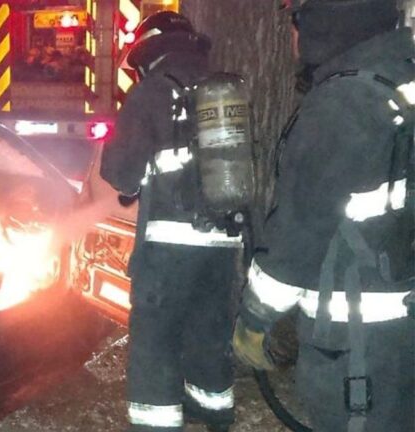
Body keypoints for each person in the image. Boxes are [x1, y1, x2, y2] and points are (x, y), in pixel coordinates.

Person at [233, 1, 415, 431]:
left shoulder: (340, 104)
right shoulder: (401, 79)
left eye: (299, 20)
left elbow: (300, 234)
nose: (294, 36)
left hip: (355, 340)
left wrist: (255, 317)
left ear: (327, 22)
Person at [100, 11, 244, 432]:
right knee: (209, 328)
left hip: (168, 246)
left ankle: (156, 423)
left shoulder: (151, 93)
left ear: (148, 51)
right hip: (223, 240)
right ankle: (215, 412)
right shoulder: (219, 88)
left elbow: (121, 174)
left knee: (155, 337)